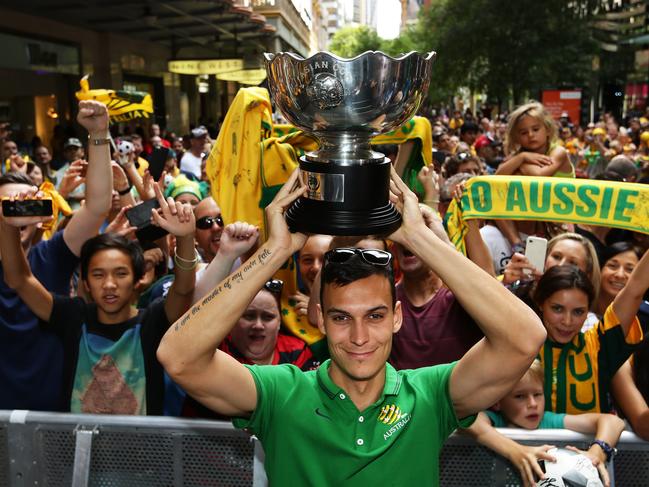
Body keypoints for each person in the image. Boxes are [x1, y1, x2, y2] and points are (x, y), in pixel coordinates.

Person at [157, 168, 545, 486]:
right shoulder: (282, 393)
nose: (359, 337)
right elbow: (179, 357)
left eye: (375, 316)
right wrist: (275, 251)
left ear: (396, 317)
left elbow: (525, 337)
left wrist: (418, 238)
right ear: (321, 320)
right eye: (342, 318)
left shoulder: (429, 395)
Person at [0, 183, 197, 414]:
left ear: (138, 279)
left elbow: (183, 289)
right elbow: (20, 279)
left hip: (142, 449)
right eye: (98, 274)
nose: (109, 284)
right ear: (85, 283)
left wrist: (185, 238)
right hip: (78, 448)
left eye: (121, 273)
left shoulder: (152, 321)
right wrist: (7, 226)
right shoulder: (72, 317)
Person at [0, 100, 112, 411]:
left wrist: (99, 133)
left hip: (53, 419)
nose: (15, 217)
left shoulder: (51, 256)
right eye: (7, 209)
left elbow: (97, 206)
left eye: (23, 206)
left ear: (39, 215)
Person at [464, 360, 624, 487]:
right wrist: (517, 452)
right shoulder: (496, 420)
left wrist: (596, 454)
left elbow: (613, 422)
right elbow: (469, 422)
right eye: (520, 396)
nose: (533, 403)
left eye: (538, 394)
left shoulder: (550, 420)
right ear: (498, 401)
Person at [534, 260, 647, 415]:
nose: (567, 321)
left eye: (578, 312)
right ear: (541, 304)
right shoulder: (520, 345)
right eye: (557, 309)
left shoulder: (599, 345)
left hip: (594, 440)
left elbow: (635, 289)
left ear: (589, 310)